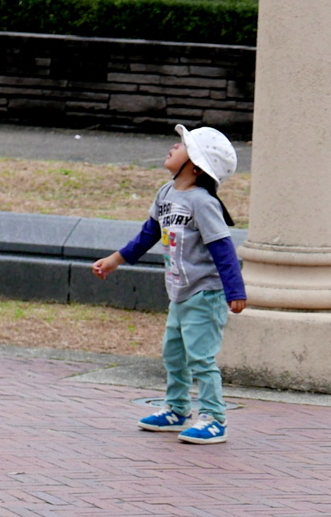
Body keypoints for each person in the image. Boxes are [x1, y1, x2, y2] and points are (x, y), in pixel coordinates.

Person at [92, 123, 246, 445]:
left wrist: (235, 291)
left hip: (205, 294)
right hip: (179, 292)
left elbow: (223, 249)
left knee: (200, 358)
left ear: (195, 164)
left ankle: (215, 418)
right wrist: (114, 260)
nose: (173, 148)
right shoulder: (165, 193)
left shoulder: (203, 203)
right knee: (173, 354)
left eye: (182, 146)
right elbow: (148, 234)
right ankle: (176, 409)